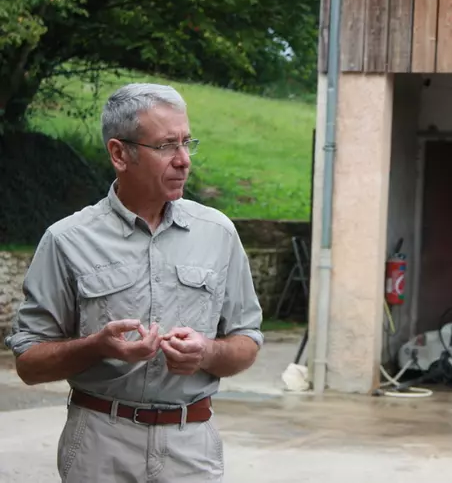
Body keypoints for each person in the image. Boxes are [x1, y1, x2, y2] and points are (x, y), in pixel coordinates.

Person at [4, 83, 263, 482]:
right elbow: (29, 364)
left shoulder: (218, 233)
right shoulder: (67, 240)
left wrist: (206, 352)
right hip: (99, 444)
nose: (183, 160)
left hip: (190, 447)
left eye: (186, 142)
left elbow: (247, 340)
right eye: (165, 146)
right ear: (119, 153)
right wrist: (97, 347)